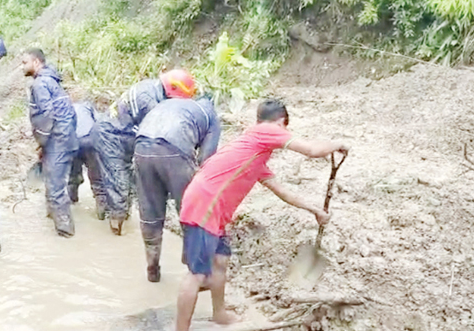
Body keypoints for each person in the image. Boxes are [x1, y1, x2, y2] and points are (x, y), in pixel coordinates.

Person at [175, 99, 348, 331]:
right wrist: (338, 143)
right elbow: (312, 151)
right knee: (196, 274)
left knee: (221, 260)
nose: (285, 133)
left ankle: (219, 313)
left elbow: (282, 192)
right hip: (204, 206)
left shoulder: (255, 154)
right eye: (285, 128)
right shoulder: (265, 131)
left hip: (210, 207)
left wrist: (314, 210)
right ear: (280, 122)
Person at [92, 69, 197, 235]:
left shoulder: (155, 90)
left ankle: (117, 212)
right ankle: (117, 227)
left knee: (130, 182)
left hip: (127, 135)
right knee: (119, 181)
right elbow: (161, 133)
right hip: (111, 135)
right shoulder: (148, 100)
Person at [134, 95, 221, 283]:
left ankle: (152, 268)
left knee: (150, 210)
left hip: (141, 146)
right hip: (174, 149)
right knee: (190, 211)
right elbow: (206, 160)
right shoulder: (210, 116)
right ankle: (193, 269)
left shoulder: (168, 104)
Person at [22, 48, 79, 238]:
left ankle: (65, 232)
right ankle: (53, 215)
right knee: (55, 180)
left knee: (55, 187)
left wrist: (42, 140)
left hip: (57, 140)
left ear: (36, 62)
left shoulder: (40, 84)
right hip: (67, 137)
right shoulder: (53, 81)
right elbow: (69, 113)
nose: (22, 66)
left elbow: (46, 114)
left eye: (25, 62)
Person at [67, 102, 108, 218]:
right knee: (97, 177)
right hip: (90, 140)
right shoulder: (87, 106)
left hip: (72, 142)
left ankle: (72, 204)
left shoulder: (65, 107)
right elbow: (99, 122)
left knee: (73, 176)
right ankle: (102, 210)